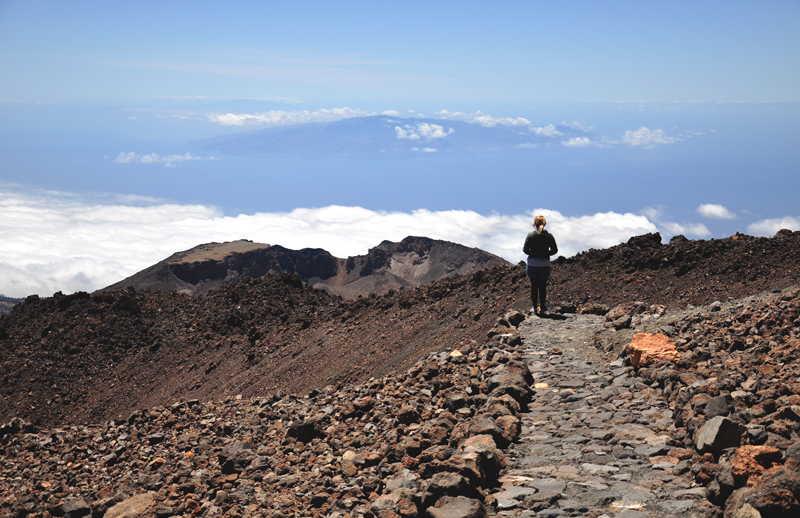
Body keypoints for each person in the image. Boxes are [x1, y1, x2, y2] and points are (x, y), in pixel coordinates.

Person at [523, 215, 558, 315]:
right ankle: (542, 309)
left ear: (535, 224)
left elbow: (525, 250)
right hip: (544, 264)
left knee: (534, 287)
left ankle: (534, 308)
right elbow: (555, 250)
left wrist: (533, 253)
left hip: (533, 264)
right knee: (542, 287)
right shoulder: (549, 236)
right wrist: (546, 253)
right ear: (545, 224)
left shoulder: (530, 235)